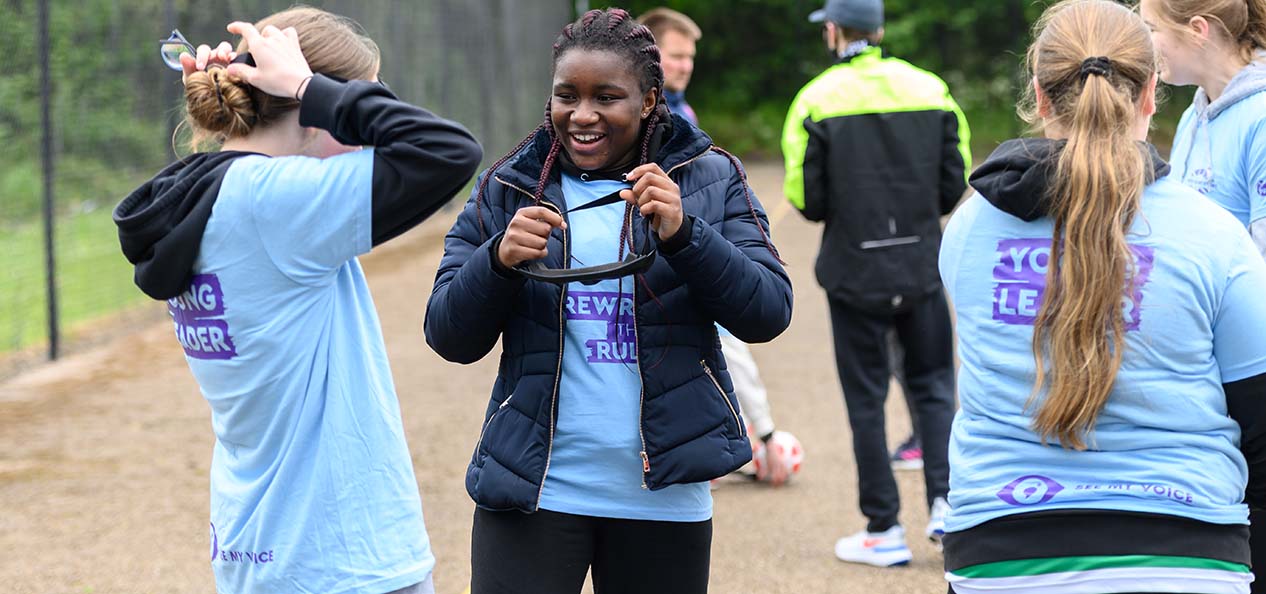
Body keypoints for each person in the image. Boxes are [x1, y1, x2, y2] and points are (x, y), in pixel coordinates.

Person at [113, 8, 483, 593]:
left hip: (260, 545)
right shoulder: (274, 204)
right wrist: (315, 90)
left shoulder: (200, 199)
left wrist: (313, 93)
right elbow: (449, 152)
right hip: (339, 558)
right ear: (310, 104)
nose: (369, 122)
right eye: (363, 100)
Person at [424, 8, 792, 593]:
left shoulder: (709, 177)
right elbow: (448, 335)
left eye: (607, 97)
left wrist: (686, 235)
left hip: (663, 501)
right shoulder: (509, 185)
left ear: (649, 100)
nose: (583, 115)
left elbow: (769, 311)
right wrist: (496, 261)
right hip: (533, 491)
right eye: (566, 95)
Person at [938, 1, 1266, 592]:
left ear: (1039, 96)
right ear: (1148, 97)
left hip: (1000, 550)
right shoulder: (1216, 235)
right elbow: (1262, 427)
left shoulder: (969, 228)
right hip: (1185, 554)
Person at [781, 0, 969, 566]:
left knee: (866, 402)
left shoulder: (815, 99)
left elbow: (807, 200)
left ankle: (883, 530)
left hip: (854, 271)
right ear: (881, 30)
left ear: (834, 32)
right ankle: (946, 507)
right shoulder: (932, 89)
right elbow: (951, 184)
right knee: (935, 388)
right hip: (921, 268)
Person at [637, 6, 792, 485]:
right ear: (649, 56)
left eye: (689, 58)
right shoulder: (644, 116)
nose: (685, 66)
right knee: (720, 346)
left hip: (697, 248)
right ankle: (762, 441)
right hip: (671, 258)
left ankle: (750, 438)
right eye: (676, 56)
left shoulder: (683, 109)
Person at [1140, 0, 1266, 260]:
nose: (1145, 45)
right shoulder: (1192, 118)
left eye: (1152, 29)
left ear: (1197, 30)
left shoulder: (1261, 117)